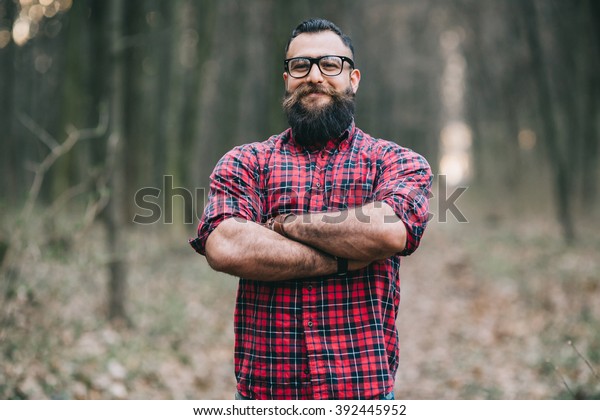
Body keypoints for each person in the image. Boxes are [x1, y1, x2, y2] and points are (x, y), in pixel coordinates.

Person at [189, 18, 432, 400]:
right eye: (300, 66)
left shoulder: (397, 162)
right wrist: (342, 258)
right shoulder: (245, 162)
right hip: (264, 397)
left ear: (353, 79)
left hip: (362, 394)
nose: (314, 76)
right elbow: (226, 246)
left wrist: (282, 225)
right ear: (286, 79)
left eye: (330, 65)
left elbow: (387, 230)